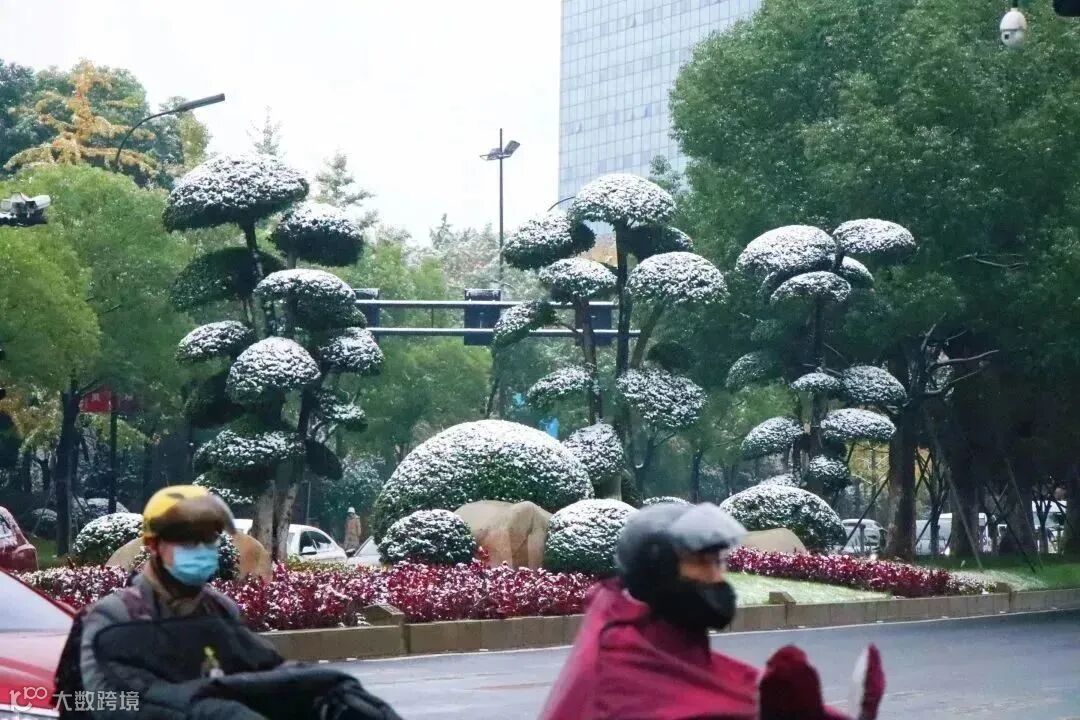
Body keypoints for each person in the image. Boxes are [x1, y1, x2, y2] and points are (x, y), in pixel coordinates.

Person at [58, 485, 401, 720]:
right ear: (153, 546)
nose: (200, 550)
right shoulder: (115, 617)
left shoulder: (219, 609)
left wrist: (323, 690)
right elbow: (123, 701)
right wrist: (212, 710)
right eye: (187, 541)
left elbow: (261, 669)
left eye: (208, 540)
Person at [539, 502, 884, 720]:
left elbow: (724, 689)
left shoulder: (661, 633)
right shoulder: (620, 660)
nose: (717, 577)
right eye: (702, 563)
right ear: (658, 569)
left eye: (720, 562)